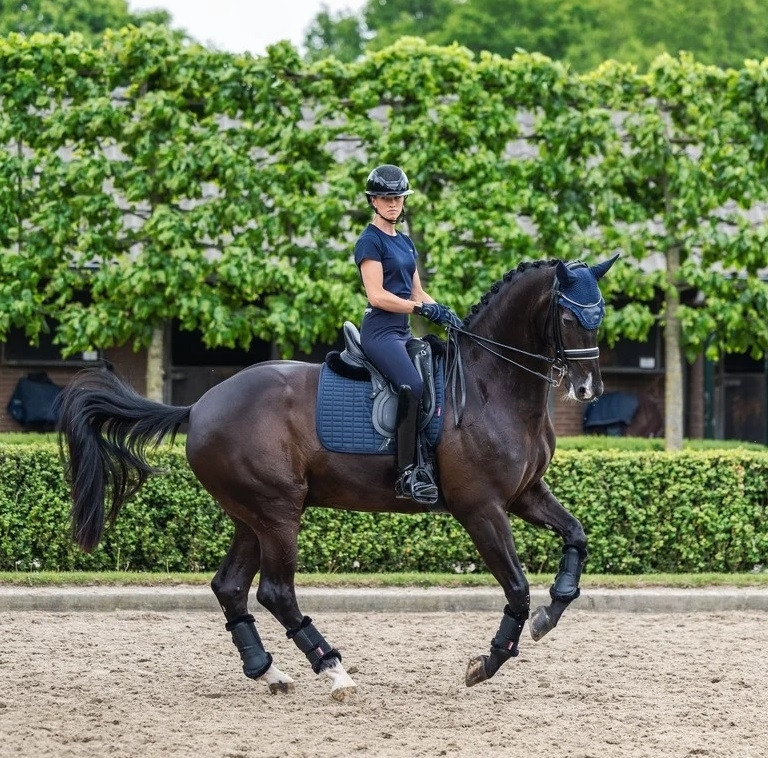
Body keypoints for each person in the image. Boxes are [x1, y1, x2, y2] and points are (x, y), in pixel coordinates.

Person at [353, 164, 463, 505]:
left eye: (398, 198)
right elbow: (377, 296)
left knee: (436, 379)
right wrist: (420, 310)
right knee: (412, 386)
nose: (393, 204)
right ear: (373, 201)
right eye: (385, 198)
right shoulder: (369, 242)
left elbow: (417, 291)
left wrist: (443, 310)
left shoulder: (404, 241)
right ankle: (405, 473)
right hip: (380, 333)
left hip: (402, 332)